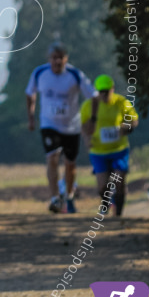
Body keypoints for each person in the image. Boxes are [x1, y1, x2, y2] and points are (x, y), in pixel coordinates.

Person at [25, 43, 95, 214]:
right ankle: (55, 197)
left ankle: (69, 196)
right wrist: (31, 117)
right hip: (49, 124)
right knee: (52, 158)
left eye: (60, 58)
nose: (57, 62)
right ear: (49, 59)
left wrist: (92, 120)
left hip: (71, 126)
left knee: (70, 164)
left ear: (66, 59)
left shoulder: (75, 75)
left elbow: (92, 96)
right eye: (53, 58)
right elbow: (30, 94)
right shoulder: (40, 73)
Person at [80, 75, 138, 216]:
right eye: (101, 92)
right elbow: (83, 126)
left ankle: (118, 213)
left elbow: (134, 120)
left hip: (119, 150)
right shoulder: (89, 105)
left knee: (119, 181)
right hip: (98, 151)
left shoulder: (121, 103)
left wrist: (126, 127)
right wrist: (87, 140)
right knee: (102, 186)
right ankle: (105, 202)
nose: (104, 94)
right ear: (97, 91)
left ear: (113, 89)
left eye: (107, 91)